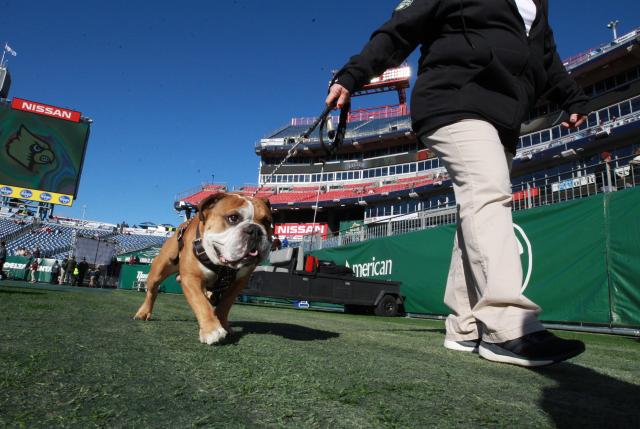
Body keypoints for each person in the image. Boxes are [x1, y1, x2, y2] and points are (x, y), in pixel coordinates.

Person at [326, 0, 588, 366]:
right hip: (453, 99)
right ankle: (507, 323)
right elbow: (403, 27)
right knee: (488, 193)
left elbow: (546, 57)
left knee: (477, 210)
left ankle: (464, 327)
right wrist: (352, 75)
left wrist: (572, 97)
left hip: (504, 118)